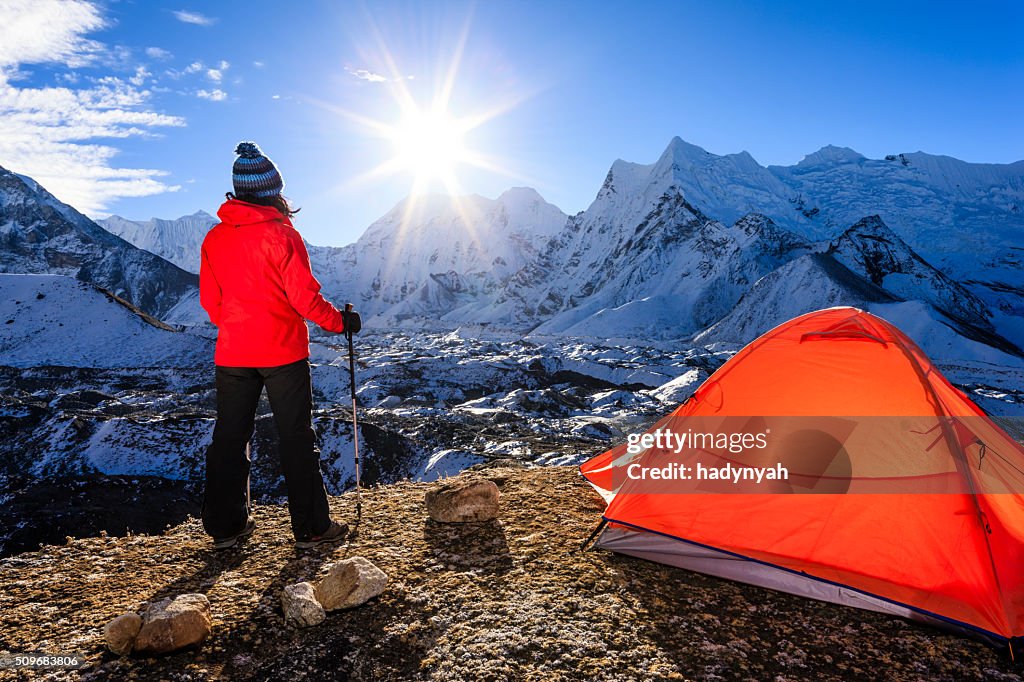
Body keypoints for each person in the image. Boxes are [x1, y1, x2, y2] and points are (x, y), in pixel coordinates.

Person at [199, 141, 361, 550]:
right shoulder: (282, 235)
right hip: (283, 354)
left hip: (233, 353)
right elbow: (304, 299)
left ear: (238, 191)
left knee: (230, 437)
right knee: (294, 438)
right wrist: (340, 322)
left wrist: (239, 325)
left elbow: (211, 303)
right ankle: (311, 528)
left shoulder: (215, 239)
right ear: (274, 190)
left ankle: (225, 526)